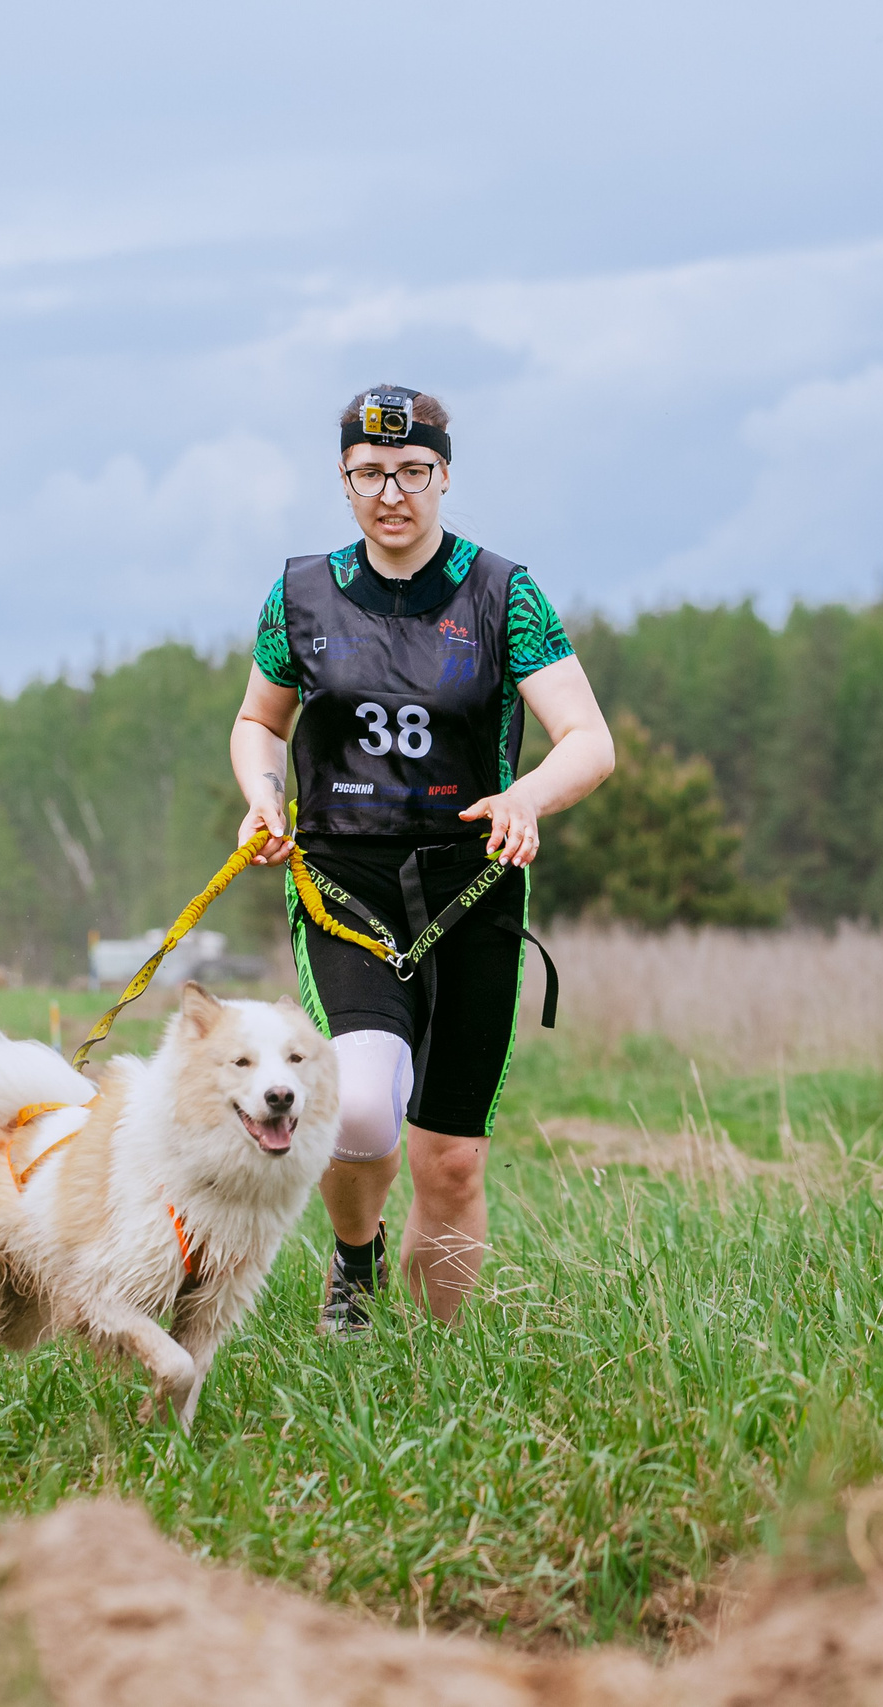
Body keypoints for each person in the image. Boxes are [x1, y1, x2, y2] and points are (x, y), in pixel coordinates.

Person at [229, 386, 616, 1334]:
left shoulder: (503, 594)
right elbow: (257, 722)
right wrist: (262, 795)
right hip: (344, 883)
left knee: (450, 1156)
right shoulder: (300, 594)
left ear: (444, 475)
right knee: (361, 1110)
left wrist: (527, 795)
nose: (391, 493)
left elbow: (589, 741)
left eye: (412, 474)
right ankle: (353, 1271)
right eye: (370, 475)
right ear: (345, 480)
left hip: (473, 884)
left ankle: (439, 1361)